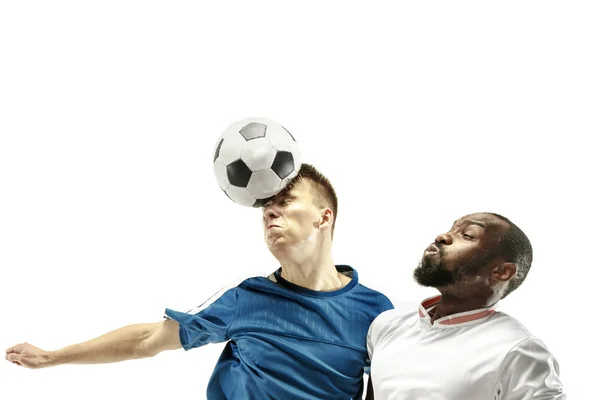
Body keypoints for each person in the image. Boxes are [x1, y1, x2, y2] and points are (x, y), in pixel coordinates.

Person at [6, 163, 394, 400]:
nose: (270, 215)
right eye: (265, 210)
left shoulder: (375, 312)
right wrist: (52, 357)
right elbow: (148, 341)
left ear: (323, 218)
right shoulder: (246, 298)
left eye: (285, 204)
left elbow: (390, 388)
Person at [366, 212, 565, 400]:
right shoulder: (387, 325)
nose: (443, 236)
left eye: (468, 235)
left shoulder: (518, 351)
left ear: (501, 272)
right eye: (451, 229)